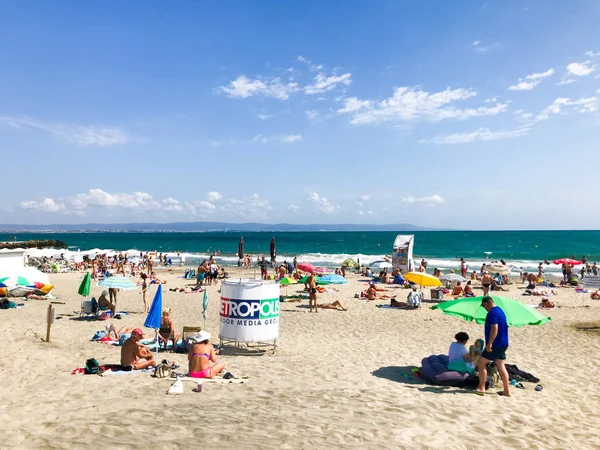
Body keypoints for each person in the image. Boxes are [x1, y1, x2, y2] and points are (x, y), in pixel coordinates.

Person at [476, 296, 510, 396]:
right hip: (503, 343)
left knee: (481, 363)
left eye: (483, 306)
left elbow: (494, 328)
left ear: (486, 303)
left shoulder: (492, 313)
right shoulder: (500, 311)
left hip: (496, 344)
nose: (484, 308)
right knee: (500, 365)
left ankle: (481, 387)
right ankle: (506, 391)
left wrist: (489, 343)